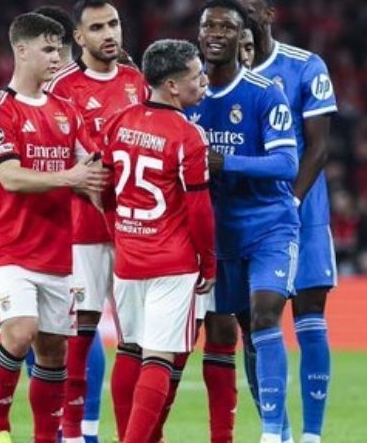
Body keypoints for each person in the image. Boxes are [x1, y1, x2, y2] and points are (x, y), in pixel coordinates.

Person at [0, 12, 107, 443]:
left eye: (60, 49)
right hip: (8, 247)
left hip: (56, 251)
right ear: (21, 50)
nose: (57, 58)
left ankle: (45, 438)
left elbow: (93, 166)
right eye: (48, 49)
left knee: (53, 351)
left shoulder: (66, 111)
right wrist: (70, 178)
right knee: (20, 332)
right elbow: (10, 177)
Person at [185, 0, 300, 443]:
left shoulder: (265, 92)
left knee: (265, 315)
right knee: (240, 330)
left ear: (242, 37)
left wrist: (224, 162)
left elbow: (286, 164)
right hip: (218, 234)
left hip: (270, 226)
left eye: (226, 27)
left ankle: (271, 435)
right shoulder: (187, 94)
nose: (216, 34)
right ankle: (280, 430)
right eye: (208, 26)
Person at [230, 0, 337, 443]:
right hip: (244, 219)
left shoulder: (305, 66)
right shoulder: (220, 74)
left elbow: (318, 147)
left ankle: (312, 434)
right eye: (236, 14)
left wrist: (289, 202)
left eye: (251, 11)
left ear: (270, 14)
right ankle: (279, 432)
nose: (245, 20)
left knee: (310, 316)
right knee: (254, 323)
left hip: (303, 211)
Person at [44, 0, 148, 443]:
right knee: (80, 333)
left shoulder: (137, 82)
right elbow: (51, 153)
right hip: (81, 230)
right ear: (79, 37)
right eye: (98, 27)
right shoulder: (61, 87)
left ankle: (130, 435)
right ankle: (74, 434)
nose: (109, 34)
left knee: (134, 341)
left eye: (114, 24)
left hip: (132, 228)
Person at [101, 38, 215, 443]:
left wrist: (118, 230)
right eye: (196, 75)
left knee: (129, 349)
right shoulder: (188, 135)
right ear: (171, 86)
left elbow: (102, 188)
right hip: (172, 260)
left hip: (128, 259)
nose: (203, 80)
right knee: (159, 357)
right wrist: (208, 261)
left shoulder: (117, 122)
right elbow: (199, 210)